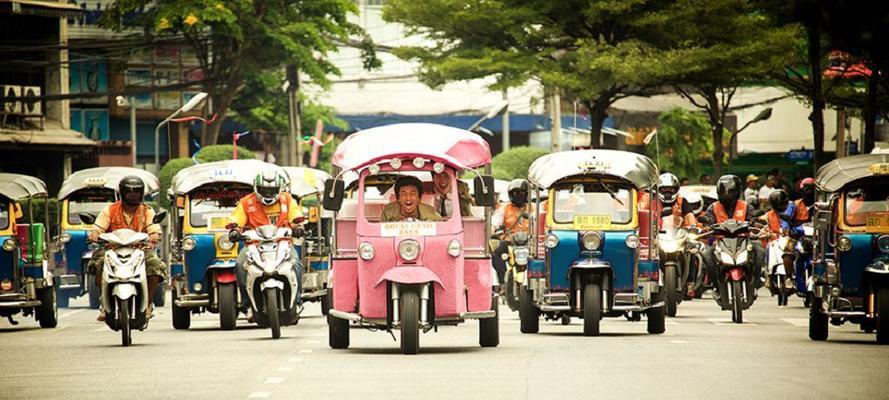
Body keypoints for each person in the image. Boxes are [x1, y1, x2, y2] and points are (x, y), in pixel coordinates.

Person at [227, 167, 305, 320]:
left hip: (282, 243)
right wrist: (235, 231)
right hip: (253, 245)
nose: (268, 194)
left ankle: (296, 302)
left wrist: (298, 228)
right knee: (240, 265)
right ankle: (247, 305)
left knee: (296, 264)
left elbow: (296, 219)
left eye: (272, 190)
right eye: (264, 190)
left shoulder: (287, 199)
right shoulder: (246, 202)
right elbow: (236, 221)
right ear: (256, 188)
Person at [88, 176, 165, 321]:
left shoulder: (147, 211)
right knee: (97, 263)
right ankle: (104, 302)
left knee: (155, 265)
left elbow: (154, 229)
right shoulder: (109, 210)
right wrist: (95, 233)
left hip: (140, 249)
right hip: (113, 249)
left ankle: (147, 303)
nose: (133, 194)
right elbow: (98, 227)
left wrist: (154, 235)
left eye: (136, 191)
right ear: (122, 192)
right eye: (129, 191)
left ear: (141, 193)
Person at [700, 175, 765, 297]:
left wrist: (755, 222)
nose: (727, 194)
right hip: (721, 243)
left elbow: (753, 217)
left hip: (743, 241)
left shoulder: (745, 206)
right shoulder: (713, 207)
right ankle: (716, 285)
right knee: (706, 255)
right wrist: (707, 225)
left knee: (760, 252)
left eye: (730, 191)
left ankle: (755, 282)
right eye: (724, 190)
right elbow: (707, 220)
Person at [763, 190, 804, 304]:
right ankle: (768, 274)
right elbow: (763, 222)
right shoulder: (769, 214)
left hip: (794, 236)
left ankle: (792, 276)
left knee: (793, 252)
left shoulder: (793, 208)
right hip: (776, 239)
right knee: (768, 247)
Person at [490, 180, 531, 283]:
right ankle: (503, 280)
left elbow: (542, 223)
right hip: (509, 242)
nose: (518, 195)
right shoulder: (504, 209)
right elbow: (494, 223)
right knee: (496, 253)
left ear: (527, 194)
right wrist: (492, 230)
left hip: (530, 241)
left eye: (521, 193)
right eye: (515, 193)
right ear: (510, 194)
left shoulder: (534, 208)